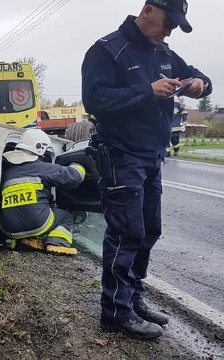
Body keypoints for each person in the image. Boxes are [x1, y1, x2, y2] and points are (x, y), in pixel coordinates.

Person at [81, 0, 212, 340]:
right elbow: (95, 101)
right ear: (148, 10)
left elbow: (202, 78)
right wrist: (147, 91)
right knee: (126, 234)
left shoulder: (164, 52)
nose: (169, 31)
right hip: (122, 157)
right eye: (168, 23)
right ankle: (115, 312)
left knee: (149, 230)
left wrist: (199, 84)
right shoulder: (107, 50)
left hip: (153, 156)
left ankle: (134, 298)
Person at [0, 129, 86, 256]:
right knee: (65, 217)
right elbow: (74, 177)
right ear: (41, 149)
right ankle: (57, 242)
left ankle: (15, 241)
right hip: (36, 223)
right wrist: (80, 165)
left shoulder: (7, 172)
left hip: (7, 228)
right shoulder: (42, 168)